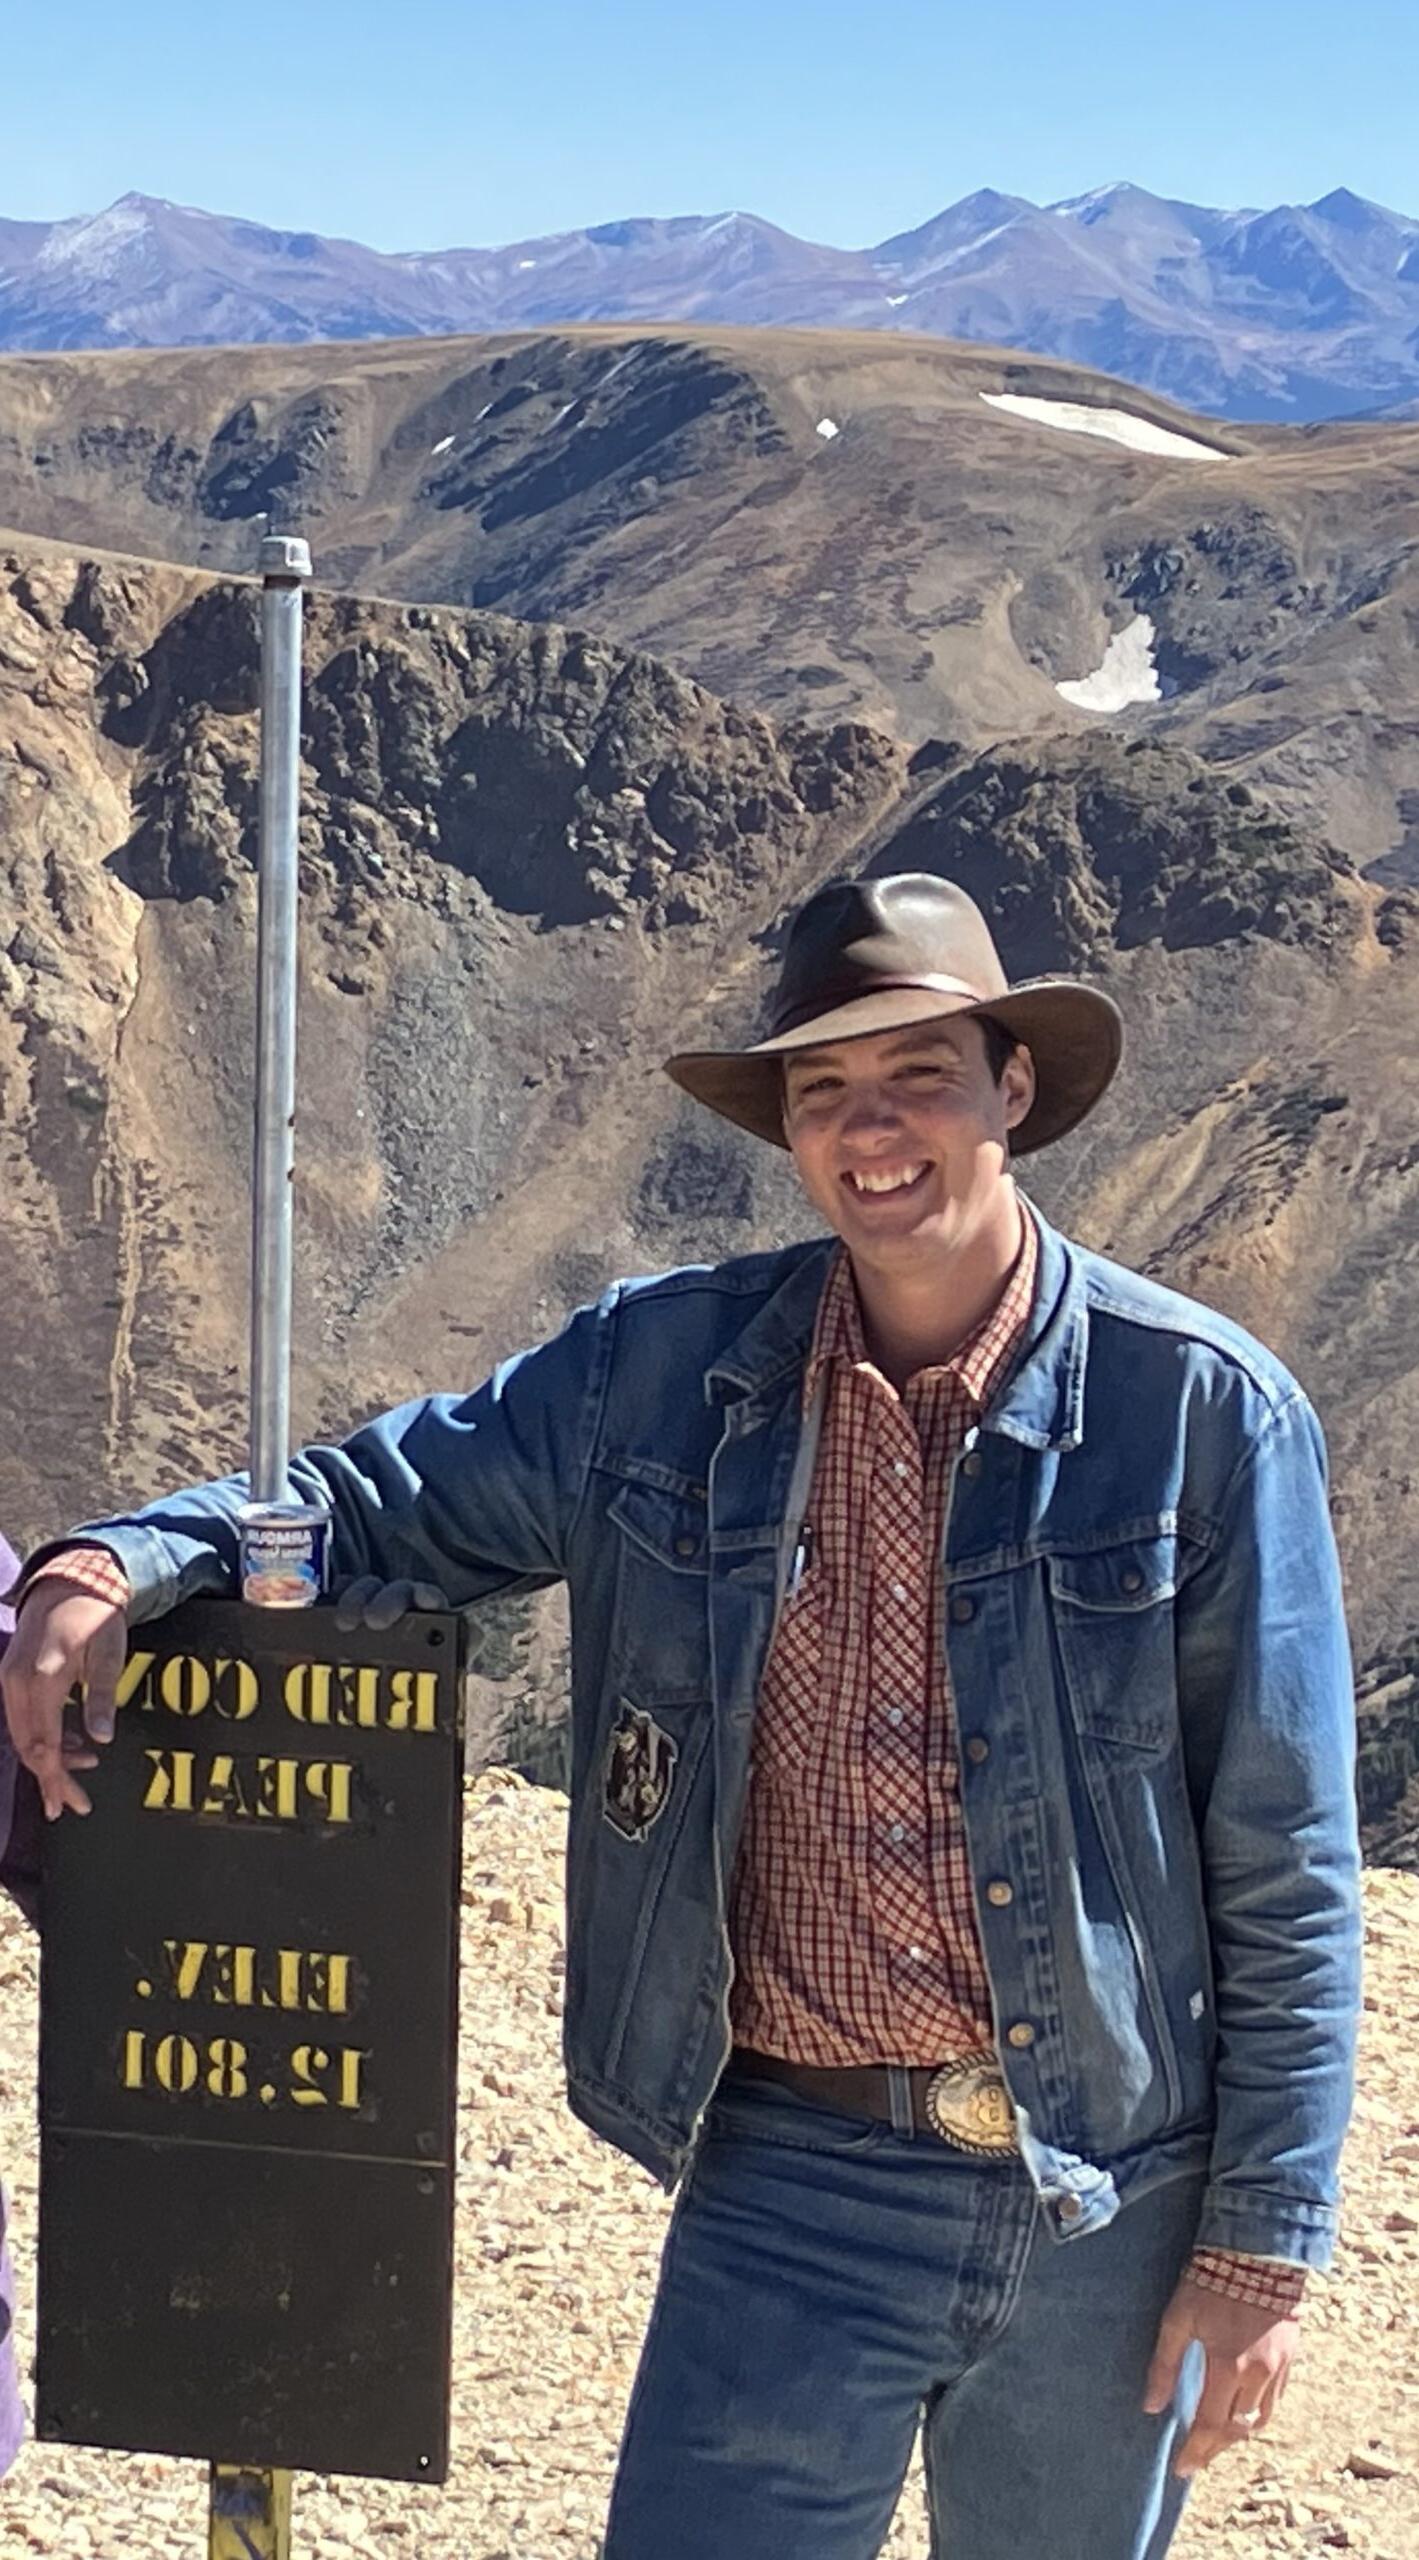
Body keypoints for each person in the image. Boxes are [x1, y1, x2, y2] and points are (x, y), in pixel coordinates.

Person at [2, 874, 1361, 2559]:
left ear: (1014, 1086)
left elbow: (1289, 1858)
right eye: (825, 1094)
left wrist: (1257, 2250)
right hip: (794, 2174)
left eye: (920, 1075)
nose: (874, 1132)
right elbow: (373, 1503)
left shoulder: (1202, 1416)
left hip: (1111, 2183)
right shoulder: (658, 1377)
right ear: (786, 1132)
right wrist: (105, 1563)